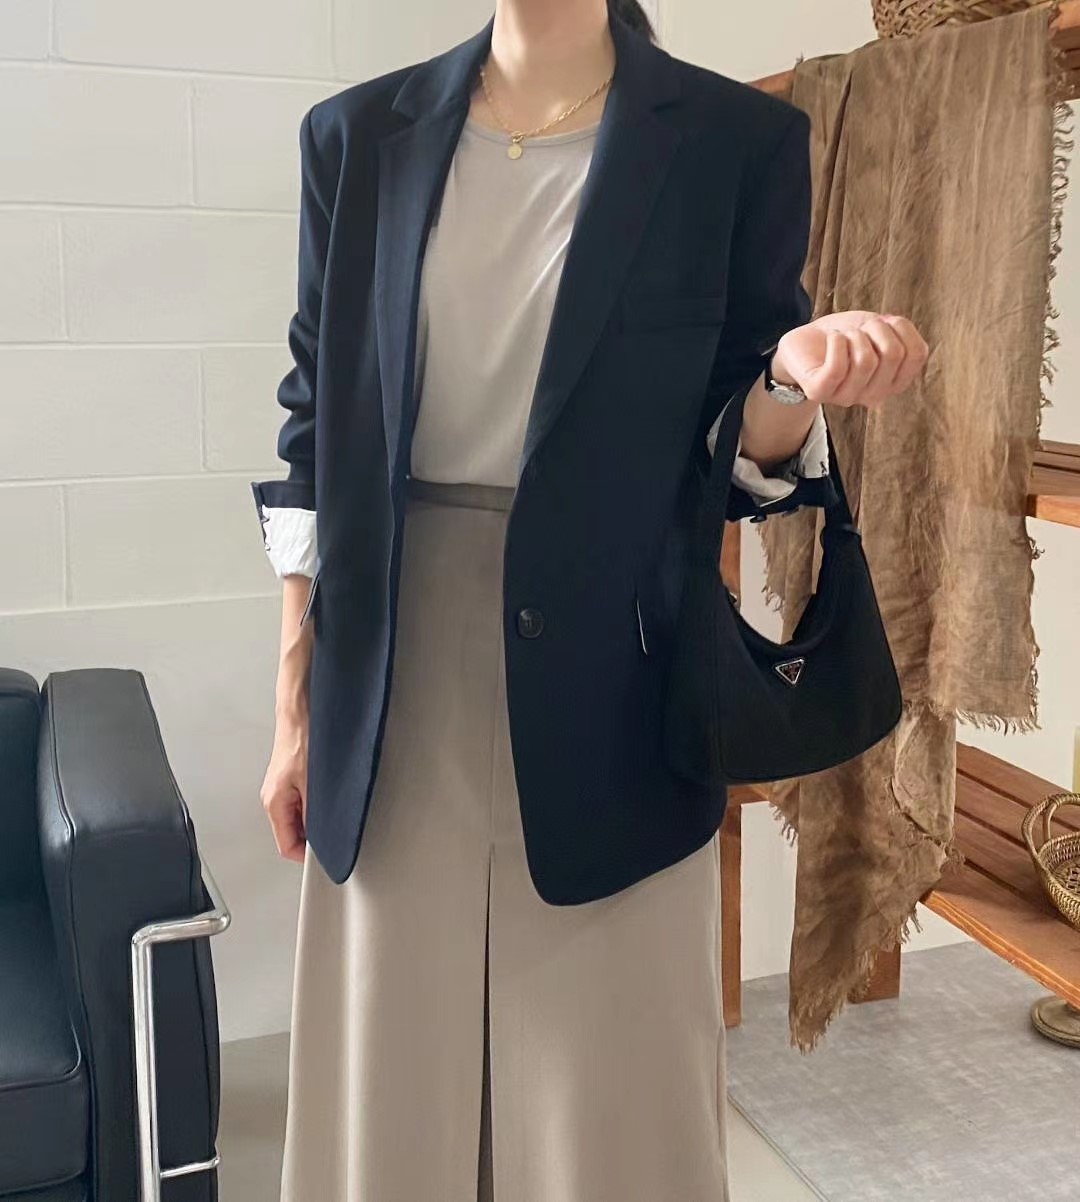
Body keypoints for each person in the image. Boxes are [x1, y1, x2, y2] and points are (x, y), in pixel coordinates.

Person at [251, 2, 929, 1198]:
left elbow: (736, 445)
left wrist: (791, 379)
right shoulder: (355, 137)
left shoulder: (734, 142)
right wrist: (294, 706)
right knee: (391, 1086)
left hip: (620, 677)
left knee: (608, 1105)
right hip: (393, 683)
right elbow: (313, 437)